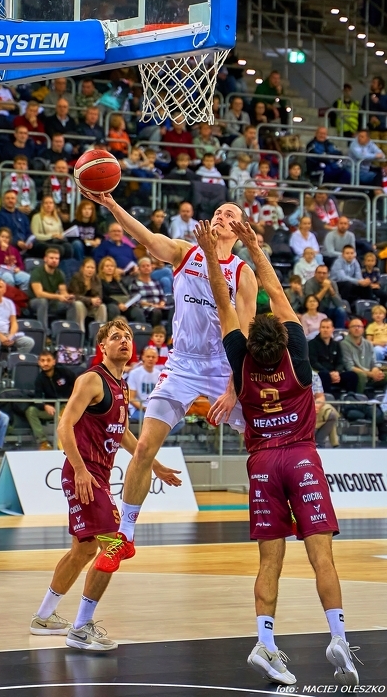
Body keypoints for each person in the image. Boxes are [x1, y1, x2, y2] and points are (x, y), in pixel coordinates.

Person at [193, 218, 359, 687]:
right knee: (322, 558)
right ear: (285, 336)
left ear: (249, 344)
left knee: (270, 562)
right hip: (302, 457)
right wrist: (253, 244)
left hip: (263, 463)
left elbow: (223, 302)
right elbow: (276, 292)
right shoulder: (298, 358)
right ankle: (338, 638)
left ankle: (265, 643)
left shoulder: (240, 362)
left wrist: (209, 255)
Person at [83, 195, 256, 573]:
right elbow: (144, 236)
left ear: (239, 230)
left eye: (229, 214)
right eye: (217, 212)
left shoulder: (243, 273)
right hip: (181, 365)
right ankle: (125, 535)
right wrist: (112, 206)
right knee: (145, 446)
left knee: (261, 438)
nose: (220, 216)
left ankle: (282, 503)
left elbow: (244, 335)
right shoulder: (184, 252)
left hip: (223, 366)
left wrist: (233, 388)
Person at [30, 320, 181, 648]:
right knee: (114, 545)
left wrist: (153, 465)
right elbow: (64, 426)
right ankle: (81, 627)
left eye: (128, 337)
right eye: (116, 337)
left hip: (96, 475)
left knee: (83, 550)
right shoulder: (92, 380)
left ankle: (44, 616)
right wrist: (80, 470)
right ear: (102, 347)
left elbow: (122, 433)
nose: (124, 341)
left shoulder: (122, 386)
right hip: (84, 475)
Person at [25, 351, 77, 451]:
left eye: (48, 360)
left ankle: (64, 446)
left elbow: (78, 384)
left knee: (64, 413)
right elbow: (37, 398)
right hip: (52, 409)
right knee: (31, 411)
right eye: (42, 361)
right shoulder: (39, 379)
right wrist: (44, 406)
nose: (45, 363)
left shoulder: (63, 372)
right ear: (39, 363)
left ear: (54, 361)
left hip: (68, 406)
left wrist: (72, 401)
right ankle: (43, 443)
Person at [28, 247, 77, 332]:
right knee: (42, 301)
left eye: (57, 258)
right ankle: (44, 333)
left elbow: (63, 291)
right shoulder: (37, 272)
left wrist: (67, 297)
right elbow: (39, 294)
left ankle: (69, 331)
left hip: (51, 302)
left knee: (71, 304)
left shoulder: (60, 273)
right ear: (45, 259)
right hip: (35, 302)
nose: (54, 260)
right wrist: (58, 297)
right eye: (51, 258)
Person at [308, 318, 358, 395]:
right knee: (324, 375)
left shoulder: (336, 344)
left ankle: (351, 397)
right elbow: (314, 362)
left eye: (327, 327)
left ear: (332, 329)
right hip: (321, 373)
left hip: (335, 374)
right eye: (323, 327)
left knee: (352, 375)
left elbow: (340, 362)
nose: (325, 330)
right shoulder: (312, 344)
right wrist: (329, 373)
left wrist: (337, 372)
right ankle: (328, 398)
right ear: (319, 329)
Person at [340, 317, 387, 393]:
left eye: (359, 326)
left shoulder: (368, 344)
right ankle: (358, 398)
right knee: (361, 375)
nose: (357, 328)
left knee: (384, 375)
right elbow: (349, 367)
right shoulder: (343, 344)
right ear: (349, 329)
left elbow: (374, 363)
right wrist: (371, 374)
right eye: (354, 326)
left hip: (370, 375)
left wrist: (376, 372)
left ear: (363, 329)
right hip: (356, 375)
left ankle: (383, 400)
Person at [98, 256, 144, 322]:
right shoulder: (99, 282)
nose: (110, 268)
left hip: (125, 304)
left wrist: (129, 303)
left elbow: (127, 293)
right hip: (112, 303)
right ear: (102, 269)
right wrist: (118, 304)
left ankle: (140, 328)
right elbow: (103, 297)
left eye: (112, 266)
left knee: (137, 311)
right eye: (107, 266)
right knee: (114, 309)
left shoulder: (119, 281)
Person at [68, 257, 107, 332]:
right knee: (78, 304)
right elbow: (75, 295)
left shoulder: (96, 279)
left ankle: (100, 333)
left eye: (92, 268)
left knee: (102, 306)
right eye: (88, 267)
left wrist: (97, 300)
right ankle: (80, 332)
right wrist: (90, 300)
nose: (90, 270)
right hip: (80, 305)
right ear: (83, 268)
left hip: (91, 306)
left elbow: (99, 294)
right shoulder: (76, 278)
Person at [0, 227, 31, 291]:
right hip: (0, 271)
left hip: (13, 271)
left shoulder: (14, 250)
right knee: (8, 277)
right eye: (2, 237)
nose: (4, 239)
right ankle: (10, 295)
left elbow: (20, 264)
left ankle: (22, 295)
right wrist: (3, 251)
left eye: (7, 237)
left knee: (27, 278)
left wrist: (19, 268)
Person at [0, 190, 32, 254]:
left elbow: (28, 231)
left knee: (41, 246)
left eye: (12, 198)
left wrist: (29, 242)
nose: (10, 200)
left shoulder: (22, 215)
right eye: (8, 198)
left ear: (16, 200)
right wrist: (16, 242)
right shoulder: (0, 216)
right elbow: (0, 235)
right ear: (3, 201)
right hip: (10, 244)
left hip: (25, 243)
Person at [42, 159, 75, 229]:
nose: (61, 170)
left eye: (63, 168)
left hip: (70, 213)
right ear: (54, 169)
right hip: (53, 213)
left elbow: (76, 200)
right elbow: (47, 200)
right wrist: (60, 214)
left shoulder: (72, 181)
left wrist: (71, 213)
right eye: (59, 168)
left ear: (67, 170)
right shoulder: (48, 181)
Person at [313, 373, 340, 448]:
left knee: (330, 413)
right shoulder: (285, 374)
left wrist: (317, 406)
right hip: (294, 408)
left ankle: (319, 443)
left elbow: (320, 397)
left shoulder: (313, 375)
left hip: (312, 404)